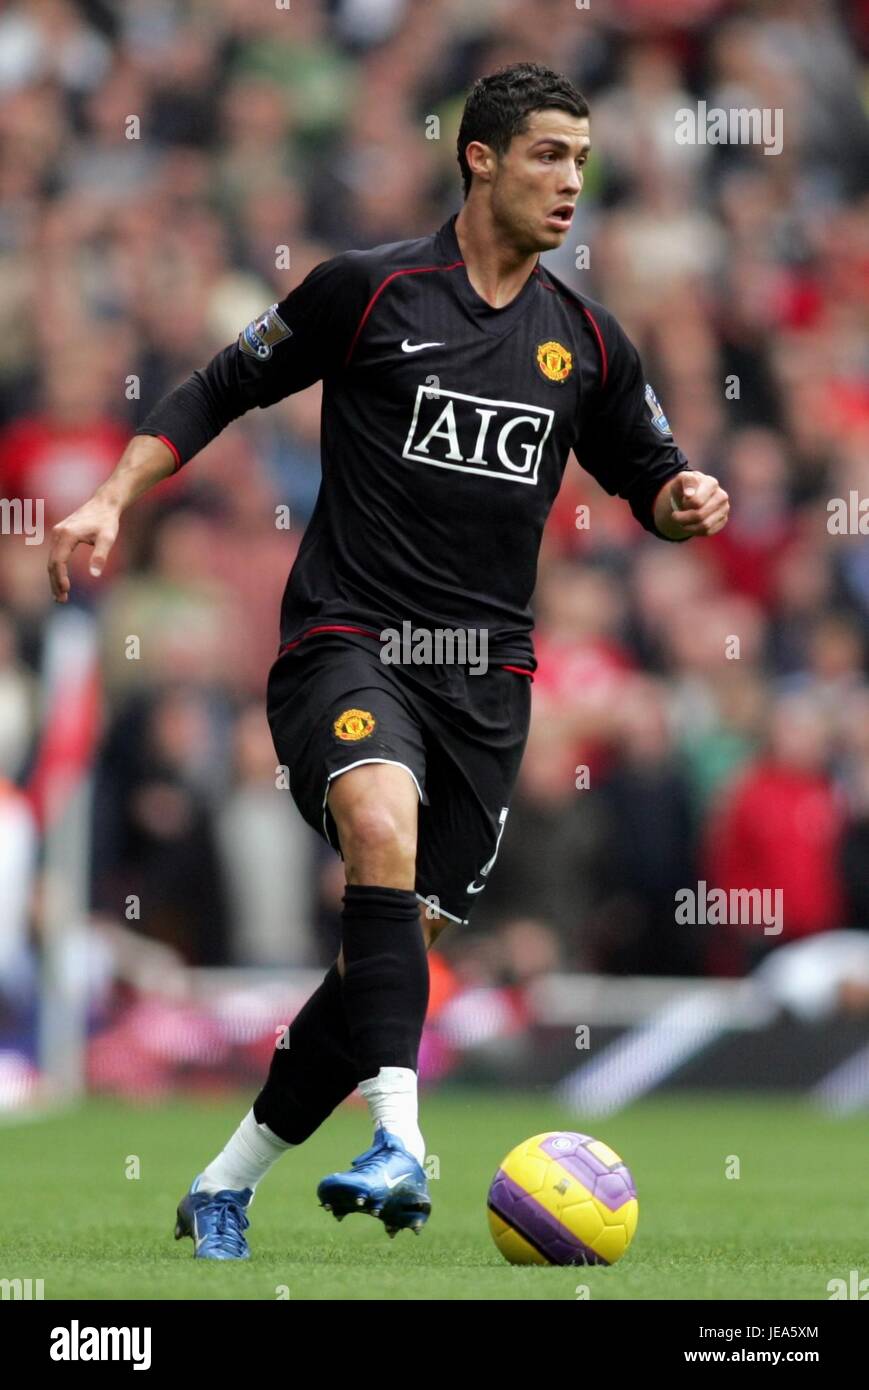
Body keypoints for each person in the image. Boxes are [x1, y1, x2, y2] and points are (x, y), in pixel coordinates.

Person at [47, 63, 729, 1259]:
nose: (570, 181)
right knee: (377, 819)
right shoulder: (368, 292)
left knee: (385, 961)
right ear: (478, 157)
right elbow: (218, 385)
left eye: (581, 159)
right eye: (546, 156)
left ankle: (223, 1182)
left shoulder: (587, 343)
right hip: (346, 643)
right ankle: (402, 1141)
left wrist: (685, 498)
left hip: (485, 689)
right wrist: (112, 496)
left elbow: (650, 484)